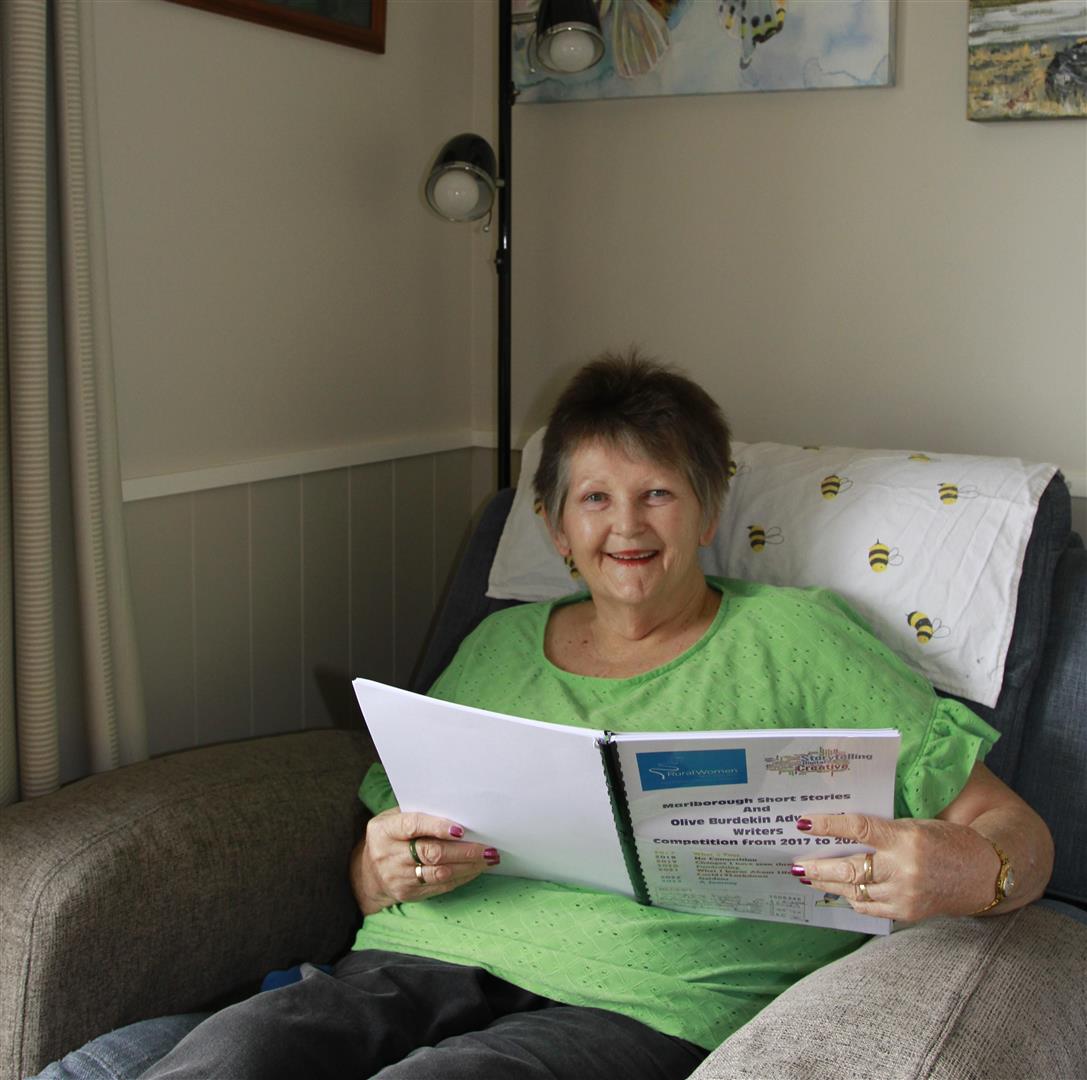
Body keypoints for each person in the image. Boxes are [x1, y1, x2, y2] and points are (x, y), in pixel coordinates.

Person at [142, 352, 1053, 1080]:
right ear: (552, 525)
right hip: (414, 964)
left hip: (650, 1004)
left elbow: (1012, 827)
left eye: (657, 492)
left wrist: (973, 870)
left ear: (706, 513)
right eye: (594, 498)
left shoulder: (800, 638)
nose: (627, 525)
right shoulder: (497, 648)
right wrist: (383, 868)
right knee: (233, 1054)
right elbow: (378, 864)